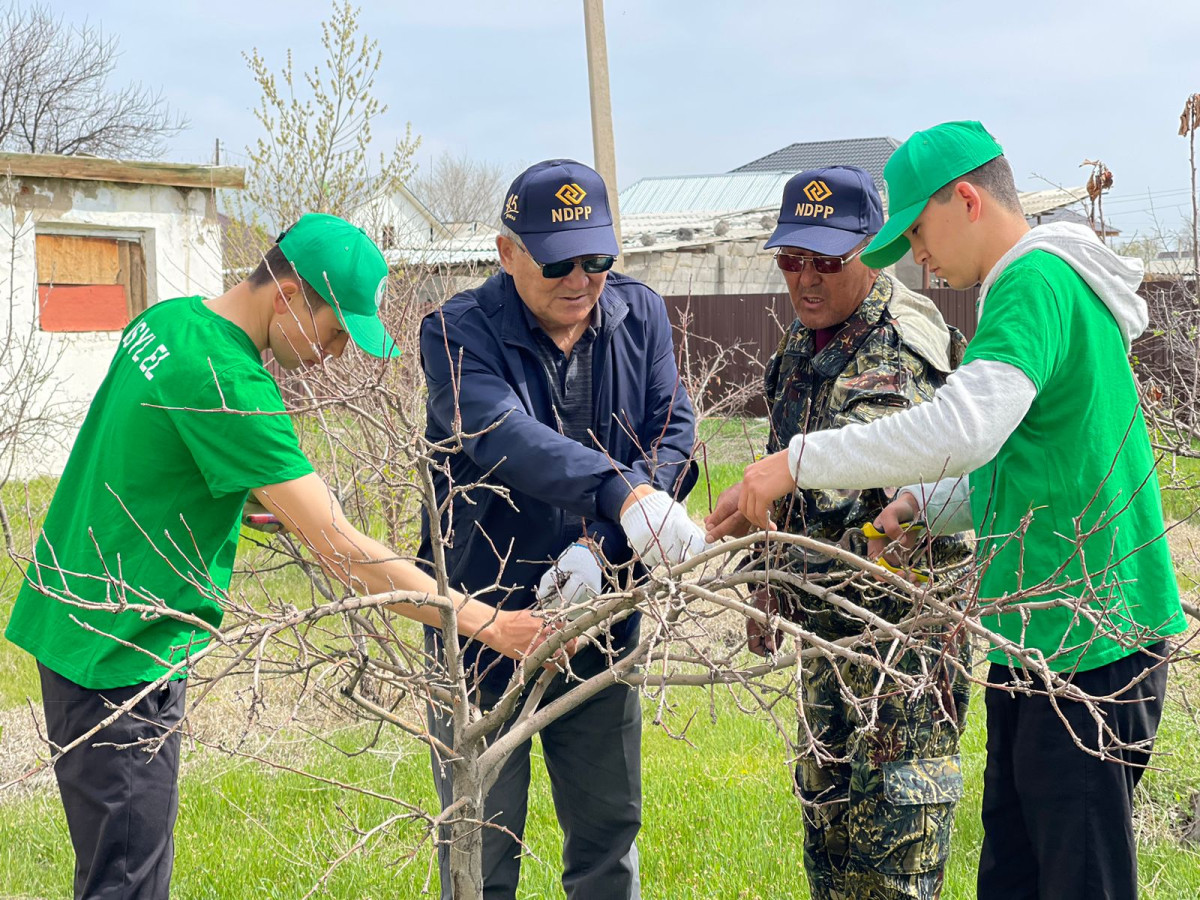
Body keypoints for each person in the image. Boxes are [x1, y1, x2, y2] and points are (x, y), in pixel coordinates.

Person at [6, 213, 554, 900]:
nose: (335, 356)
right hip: (120, 652)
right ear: (289, 295)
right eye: (333, 332)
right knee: (126, 881)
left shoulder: (170, 322)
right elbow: (347, 553)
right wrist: (489, 624)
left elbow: (149, 449)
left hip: (73, 621)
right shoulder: (232, 387)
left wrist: (242, 496)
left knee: (116, 869)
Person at [736, 121, 1186, 900]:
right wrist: (921, 506)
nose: (916, 255)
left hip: (1088, 640)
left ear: (967, 200)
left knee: (1079, 880)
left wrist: (794, 462)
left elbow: (963, 427)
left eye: (916, 228)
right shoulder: (1042, 284)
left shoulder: (1033, 280)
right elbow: (1026, 467)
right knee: (1013, 875)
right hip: (1037, 638)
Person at [419, 159, 704, 899]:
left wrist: (604, 546)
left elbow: (671, 433)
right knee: (479, 851)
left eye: (598, 259)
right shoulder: (455, 333)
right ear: (507, 252)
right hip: (484, 626)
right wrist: (621, 493)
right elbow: (501, 433)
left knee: (608, 841)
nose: (582, 279)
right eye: (558, 262)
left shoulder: (638, 315)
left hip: (601, 618)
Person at [704, 165, 972, 899]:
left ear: (874, 254)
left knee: (892, 865)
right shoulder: (801, 347)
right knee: (828, 850)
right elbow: (785, 483)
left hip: (899, 649)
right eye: (793, 261)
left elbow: (854, 465)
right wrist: (769, 582)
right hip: (829, 640)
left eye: (828, 261)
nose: (806, 280)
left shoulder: (898, 346)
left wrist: (771, 497)